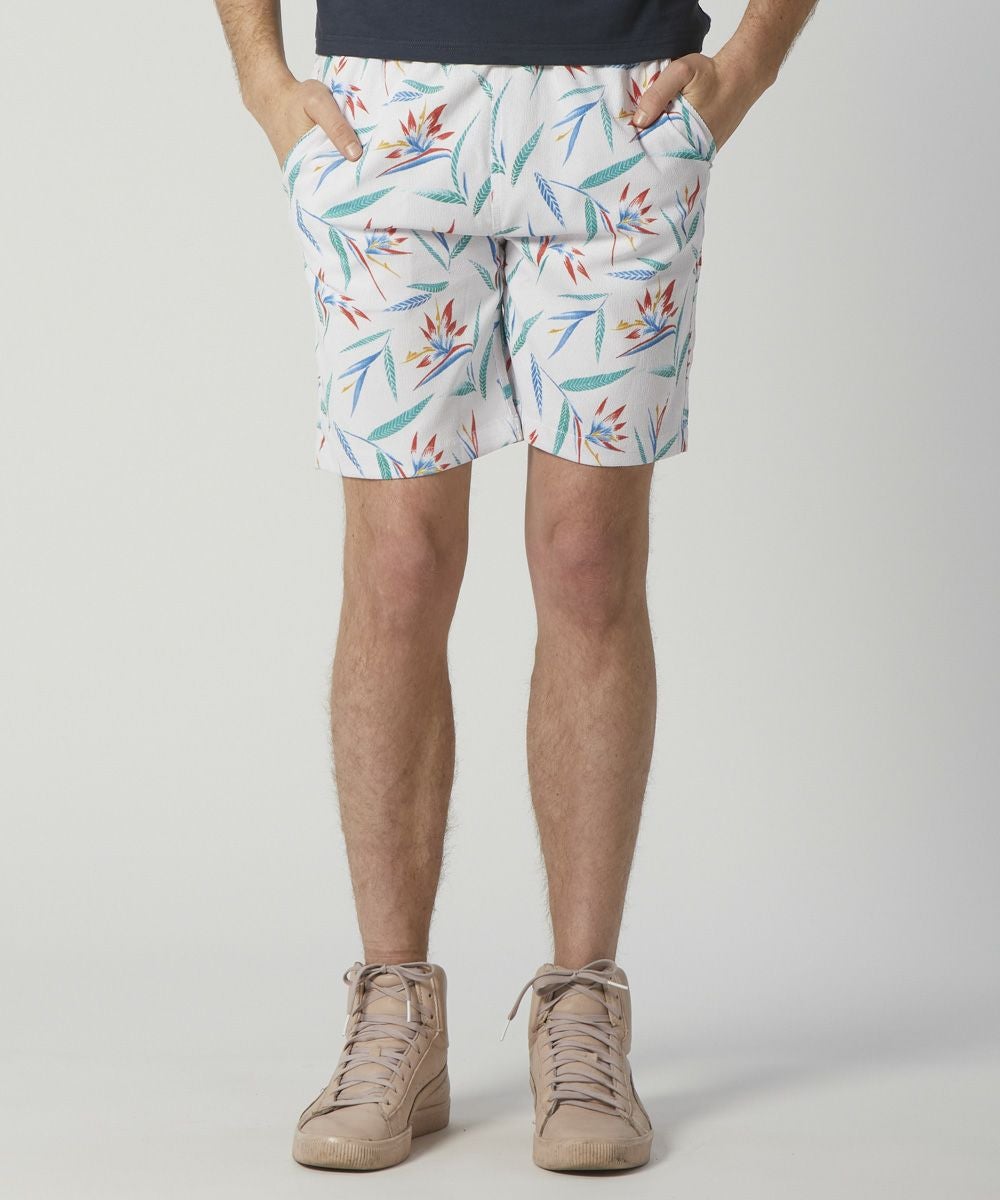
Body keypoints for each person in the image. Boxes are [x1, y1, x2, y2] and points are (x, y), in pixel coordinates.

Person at [214, 0, 817, 1173]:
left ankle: (583, 1002)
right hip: (391, 112)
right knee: (397, 564)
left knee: (587, 562)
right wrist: (261, 78)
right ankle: (394, 1005)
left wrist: (748, 66)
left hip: (618, 109)